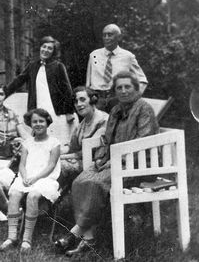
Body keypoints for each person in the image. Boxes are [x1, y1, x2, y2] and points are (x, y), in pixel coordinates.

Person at [55, 71, 159, 256]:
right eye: (119, 87)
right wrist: (101, 158)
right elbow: (107, 140)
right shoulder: (116, 111)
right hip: (114, 163)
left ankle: (77, 234)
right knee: (80, 181)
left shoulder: (144, 109)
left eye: (128, 87)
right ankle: (87, 237)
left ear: (136, 89)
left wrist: (115, 160)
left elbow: (142, 142)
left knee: (95, 184)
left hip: (139, 166)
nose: (123, 91)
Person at [0, 108, 61, 253]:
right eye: (34, 121)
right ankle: (12, 236)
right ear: (30, 124)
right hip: (27, 177)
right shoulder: (28, 142)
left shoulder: (54, 142)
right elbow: (22, 164)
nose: (38, 124)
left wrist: (35, 178)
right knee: (14, 193)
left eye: (41, 121)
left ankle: (26, 239)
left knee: (33, 196)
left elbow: (51, 165)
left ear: (47, 122)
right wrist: (25, 176)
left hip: (46, 178)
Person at [4, 36, 77, 146]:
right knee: (39, 140)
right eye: (44, 47)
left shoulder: (58, 66)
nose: (46, 50)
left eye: (49, 48)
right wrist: (3, 93)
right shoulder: (33, 66)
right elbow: (18, 80)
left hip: (55, 109)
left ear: (53, 51)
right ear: (40, 47)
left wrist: (69, 111)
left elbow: (67, 89)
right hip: (37, 107)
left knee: (55, 140)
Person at [85, 24, 148, 112]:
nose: (106, 38)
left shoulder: (128, 56)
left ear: (118, 37)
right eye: (104, 35)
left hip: (117, 98)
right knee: (98, 124)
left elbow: (142, 80)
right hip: (97, 99)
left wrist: (133, 97)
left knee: (119, 124)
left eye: (110, 35)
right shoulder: (94, 55)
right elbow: (88, 82)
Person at [58, 86, 109, 191]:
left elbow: (89, 150)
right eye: (76, 102)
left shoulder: (103, 120)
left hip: (97, 164)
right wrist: (54, 152)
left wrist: (61, 157)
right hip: (82, 161)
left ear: (92, 100)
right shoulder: (82, 124)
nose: (79, 104)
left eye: (82, 99)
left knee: (59, 165)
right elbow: (72, 146)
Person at [0, 82, 30, 159]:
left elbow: (24, 134)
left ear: (5, 97)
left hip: (9, 154)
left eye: (1, 94)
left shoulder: (11, 114)